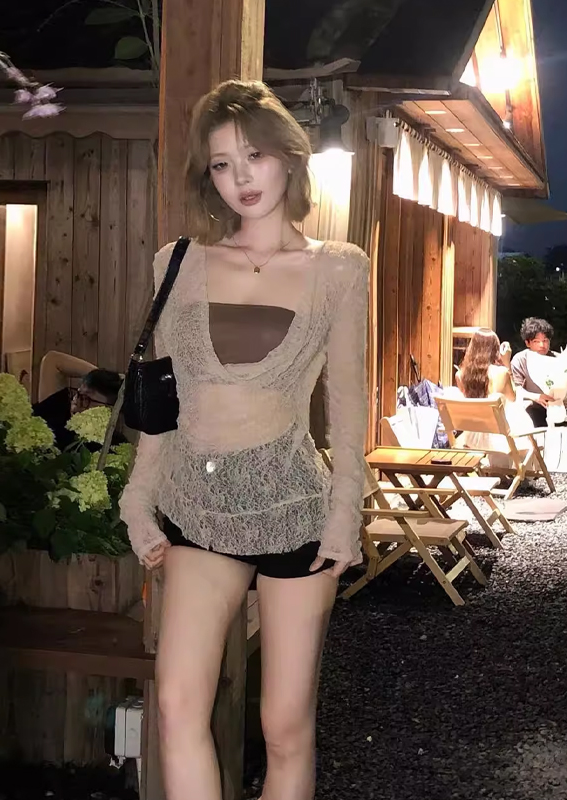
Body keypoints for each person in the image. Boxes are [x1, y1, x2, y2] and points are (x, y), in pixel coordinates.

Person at [118, 80, 368, 800]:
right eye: (223, 164)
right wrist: (138, 500)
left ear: (289, 156)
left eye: (254, 156)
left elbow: (347, 405)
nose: (241, 178)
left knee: (285, 726)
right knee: (176, 708)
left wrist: (345, 515)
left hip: (295, 510)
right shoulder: (178, 263)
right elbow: (162, 401)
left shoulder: (338, 268)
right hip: (197, 509)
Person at [454, 328, 533, 465]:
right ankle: (520, 469)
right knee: (520, 417)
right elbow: (512, 398)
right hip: (500, 437)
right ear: (495, 350)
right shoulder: (501, 373)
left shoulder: (460, 375)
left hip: (472, 437)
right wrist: (506, 363)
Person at [34, 351, 123, 449]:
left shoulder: (116, 447)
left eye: (85, 398)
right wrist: (103, 376)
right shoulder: (58, 417)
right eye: (78, 393)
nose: (75, 401)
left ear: (110, 409)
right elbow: (53, 360)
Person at [510, 317, 556, 428]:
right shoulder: (520, 360)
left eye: (545, 340)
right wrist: (536, 397)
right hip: (531, 407)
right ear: (527, 343)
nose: (542, 345)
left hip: (556, 407)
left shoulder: (557, 358)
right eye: (536, 341)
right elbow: (516, 389)